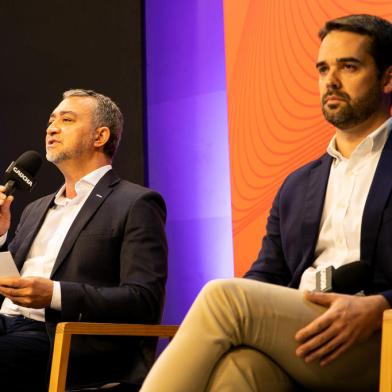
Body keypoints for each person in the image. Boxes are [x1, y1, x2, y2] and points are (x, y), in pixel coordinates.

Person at [140, 14, 392, 392]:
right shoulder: (297, 184)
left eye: (349, 67)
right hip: (304, 332)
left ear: (388, 78)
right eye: (323, 69)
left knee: (224, 297)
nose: (331, 81)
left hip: (376, 337)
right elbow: (266, 275)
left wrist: (381, 307)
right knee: (239, 369)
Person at [0, 89, 168, 391]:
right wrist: (0, 235)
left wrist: (54, 294)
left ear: (100, 136)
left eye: (67, 119)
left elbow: (143, 300)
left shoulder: (136, 203)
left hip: (61, 338)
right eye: (51, 120)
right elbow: (9, 279)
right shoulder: (36, 208)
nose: (51, 127)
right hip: (7, 325)